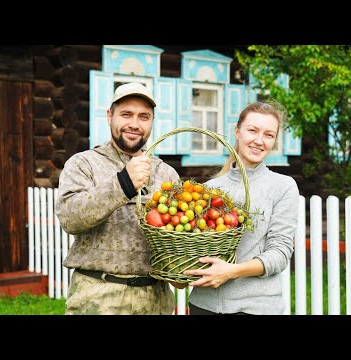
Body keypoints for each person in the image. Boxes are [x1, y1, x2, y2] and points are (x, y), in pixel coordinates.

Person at [55, 82, 180, 315]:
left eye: (144, 116)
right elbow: (70, 218)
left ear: (152, 122)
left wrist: (179, 269)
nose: (134, 124)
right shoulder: (84, 164)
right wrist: (123, 183)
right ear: (110, 116)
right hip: (97, 297)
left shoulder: (166, 174)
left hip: (155, 300)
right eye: (126, 114)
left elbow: (176, 235)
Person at [183, 101, 300, 315]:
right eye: (252, 131)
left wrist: (232, 272)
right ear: (237, 132)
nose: (259, 141)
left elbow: (280, 253)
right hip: (203, 305)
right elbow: (196, 245)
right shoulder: (210, 189)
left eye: (268, 135)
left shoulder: (283, 187)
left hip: (255, 307)